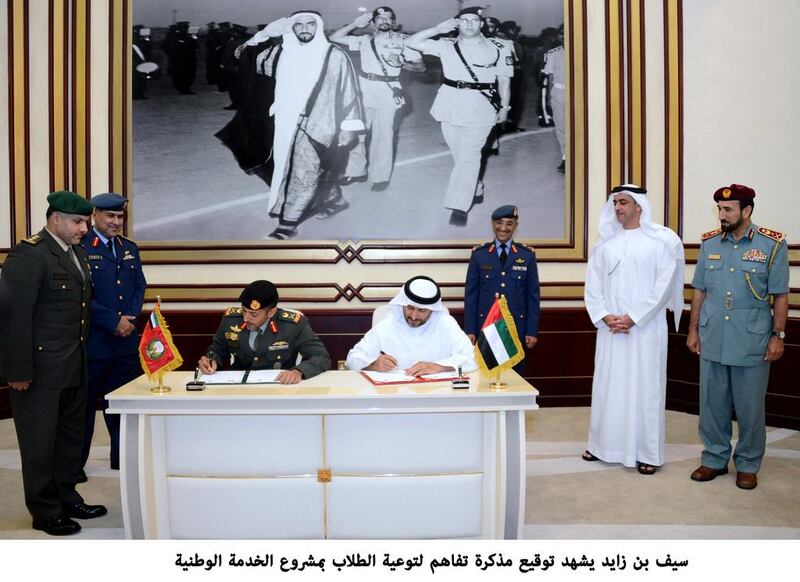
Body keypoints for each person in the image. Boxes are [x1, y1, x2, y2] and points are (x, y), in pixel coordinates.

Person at [0, 191, 108, 536]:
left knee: (69, 439)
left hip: (74, 365)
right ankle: (45, 510)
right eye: (78, 221)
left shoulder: (75, 253)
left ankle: (66, 496)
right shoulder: (29, 255)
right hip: (40, 369)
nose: (84, 228)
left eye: (86, 221)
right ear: (55, 219)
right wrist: (17, 370)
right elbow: (15, 317)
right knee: (39, 443)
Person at [687, 184, 789, 490]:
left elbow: (780, 296)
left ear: (747, 211)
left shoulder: (771, 245)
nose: (722, 214)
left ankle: (747, 463)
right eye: (719, 208)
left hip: (751, 338)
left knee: (750, 407)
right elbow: (700, 290)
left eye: (728, 209)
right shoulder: (709, 243)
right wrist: (693, 329)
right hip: (713, 333)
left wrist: (778, 335)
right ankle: (714, 459)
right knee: (712, 403)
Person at [233, 10, 364, 240]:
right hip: (283, 122)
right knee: (291, 167)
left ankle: (288, 224)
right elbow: (240, 58)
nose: (304, 28)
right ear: (291, 28)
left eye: (310, 24)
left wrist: (348, 127)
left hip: (320, 122)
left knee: (303, 170)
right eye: (299, 24)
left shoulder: (333, 55)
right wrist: (262, 35)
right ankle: (334, 198)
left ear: (319, 26)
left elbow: (349, 92)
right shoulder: (279, 53)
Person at [582, 185, 685, 475]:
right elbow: (593, 287)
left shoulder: (659, 243)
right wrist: (605, 316)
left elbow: (663, 286)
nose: (617, 208)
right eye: (615, 203)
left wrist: (633, 317)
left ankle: (646, 453)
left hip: (645, 331)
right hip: (610, 331)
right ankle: (603, 446)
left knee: (645, 390)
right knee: (607, 388)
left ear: (639, 206)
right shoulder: (604, 246)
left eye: (623, 202)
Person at [406, 6, 514, 227]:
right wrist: (437, 28)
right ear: (457, 24)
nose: (469, 24)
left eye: (474, 20)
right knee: (461, 155)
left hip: (481, 106)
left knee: (470, 156)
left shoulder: (501, 47)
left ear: (481, 23)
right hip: (450, 105)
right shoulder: (445, 45)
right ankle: (476, 186)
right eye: (464, 20)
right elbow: (411, 42)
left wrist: (505, 108)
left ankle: (459, 206)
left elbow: (504, 80)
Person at [78, 193, 146, 482]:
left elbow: (138, 285)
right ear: (96, 215)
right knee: (82, 412)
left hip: (125, 343)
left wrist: (128, 318)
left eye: (120, 217)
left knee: (123, 407)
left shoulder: (128, 248)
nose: (116, 222)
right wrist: (112, 321)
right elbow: (80, 297)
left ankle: (122, 459)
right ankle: (74, 466)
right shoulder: (81, 247)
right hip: (95, 344)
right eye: (110, 216)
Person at [331, 6, 425, 192]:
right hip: (363, 90)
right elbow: (334, 38)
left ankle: (380, 176)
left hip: (388, 92)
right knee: (355, 133)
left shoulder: (404, 41)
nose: (385, 21)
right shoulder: (364, 40)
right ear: (373, 22)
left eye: (389, 18)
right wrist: (355, 24)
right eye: (380, 18)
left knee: (383, 136)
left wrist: (402, 63)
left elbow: (421, 67)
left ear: (394, 22)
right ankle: (356, 171)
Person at [198, 280, 331, 383]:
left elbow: (321, 357)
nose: (245, 318)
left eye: (253, 314)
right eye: (244, 310)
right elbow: (216, 351)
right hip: (239, 388)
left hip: (278, 387)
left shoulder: (293, 325)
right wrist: (210, 360)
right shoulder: (230, 319)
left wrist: (298, 371)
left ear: (271, 312)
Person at [463, 205, 540, 375]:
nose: (503, 228)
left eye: (509, 223)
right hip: (486, 326)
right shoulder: (479, 254)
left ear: (515, 226)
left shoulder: (527, 255)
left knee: (514, 376)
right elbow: (471, 296)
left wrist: (531, 330)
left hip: (515, 329)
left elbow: (532, 296)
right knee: (485, 374)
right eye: (499, 223)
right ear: (492, 224)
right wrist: (470, 330)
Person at [346, 276, 477, 374]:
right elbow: (352, 359)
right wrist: (373, 364)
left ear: (432, 309)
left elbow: (471, 358)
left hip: (437, 398)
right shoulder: (387, 325)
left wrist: (439, 366)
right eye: (410, 308)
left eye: (422, 310)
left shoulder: (446, 325)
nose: (414, 316)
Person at [543, 26, 565, 173]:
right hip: (558, 93)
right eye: (562, 34)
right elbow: (549, 76)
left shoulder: (587, 52)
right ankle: (566, 157)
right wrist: (550, 97)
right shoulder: (553, 54)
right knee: (561, 127)